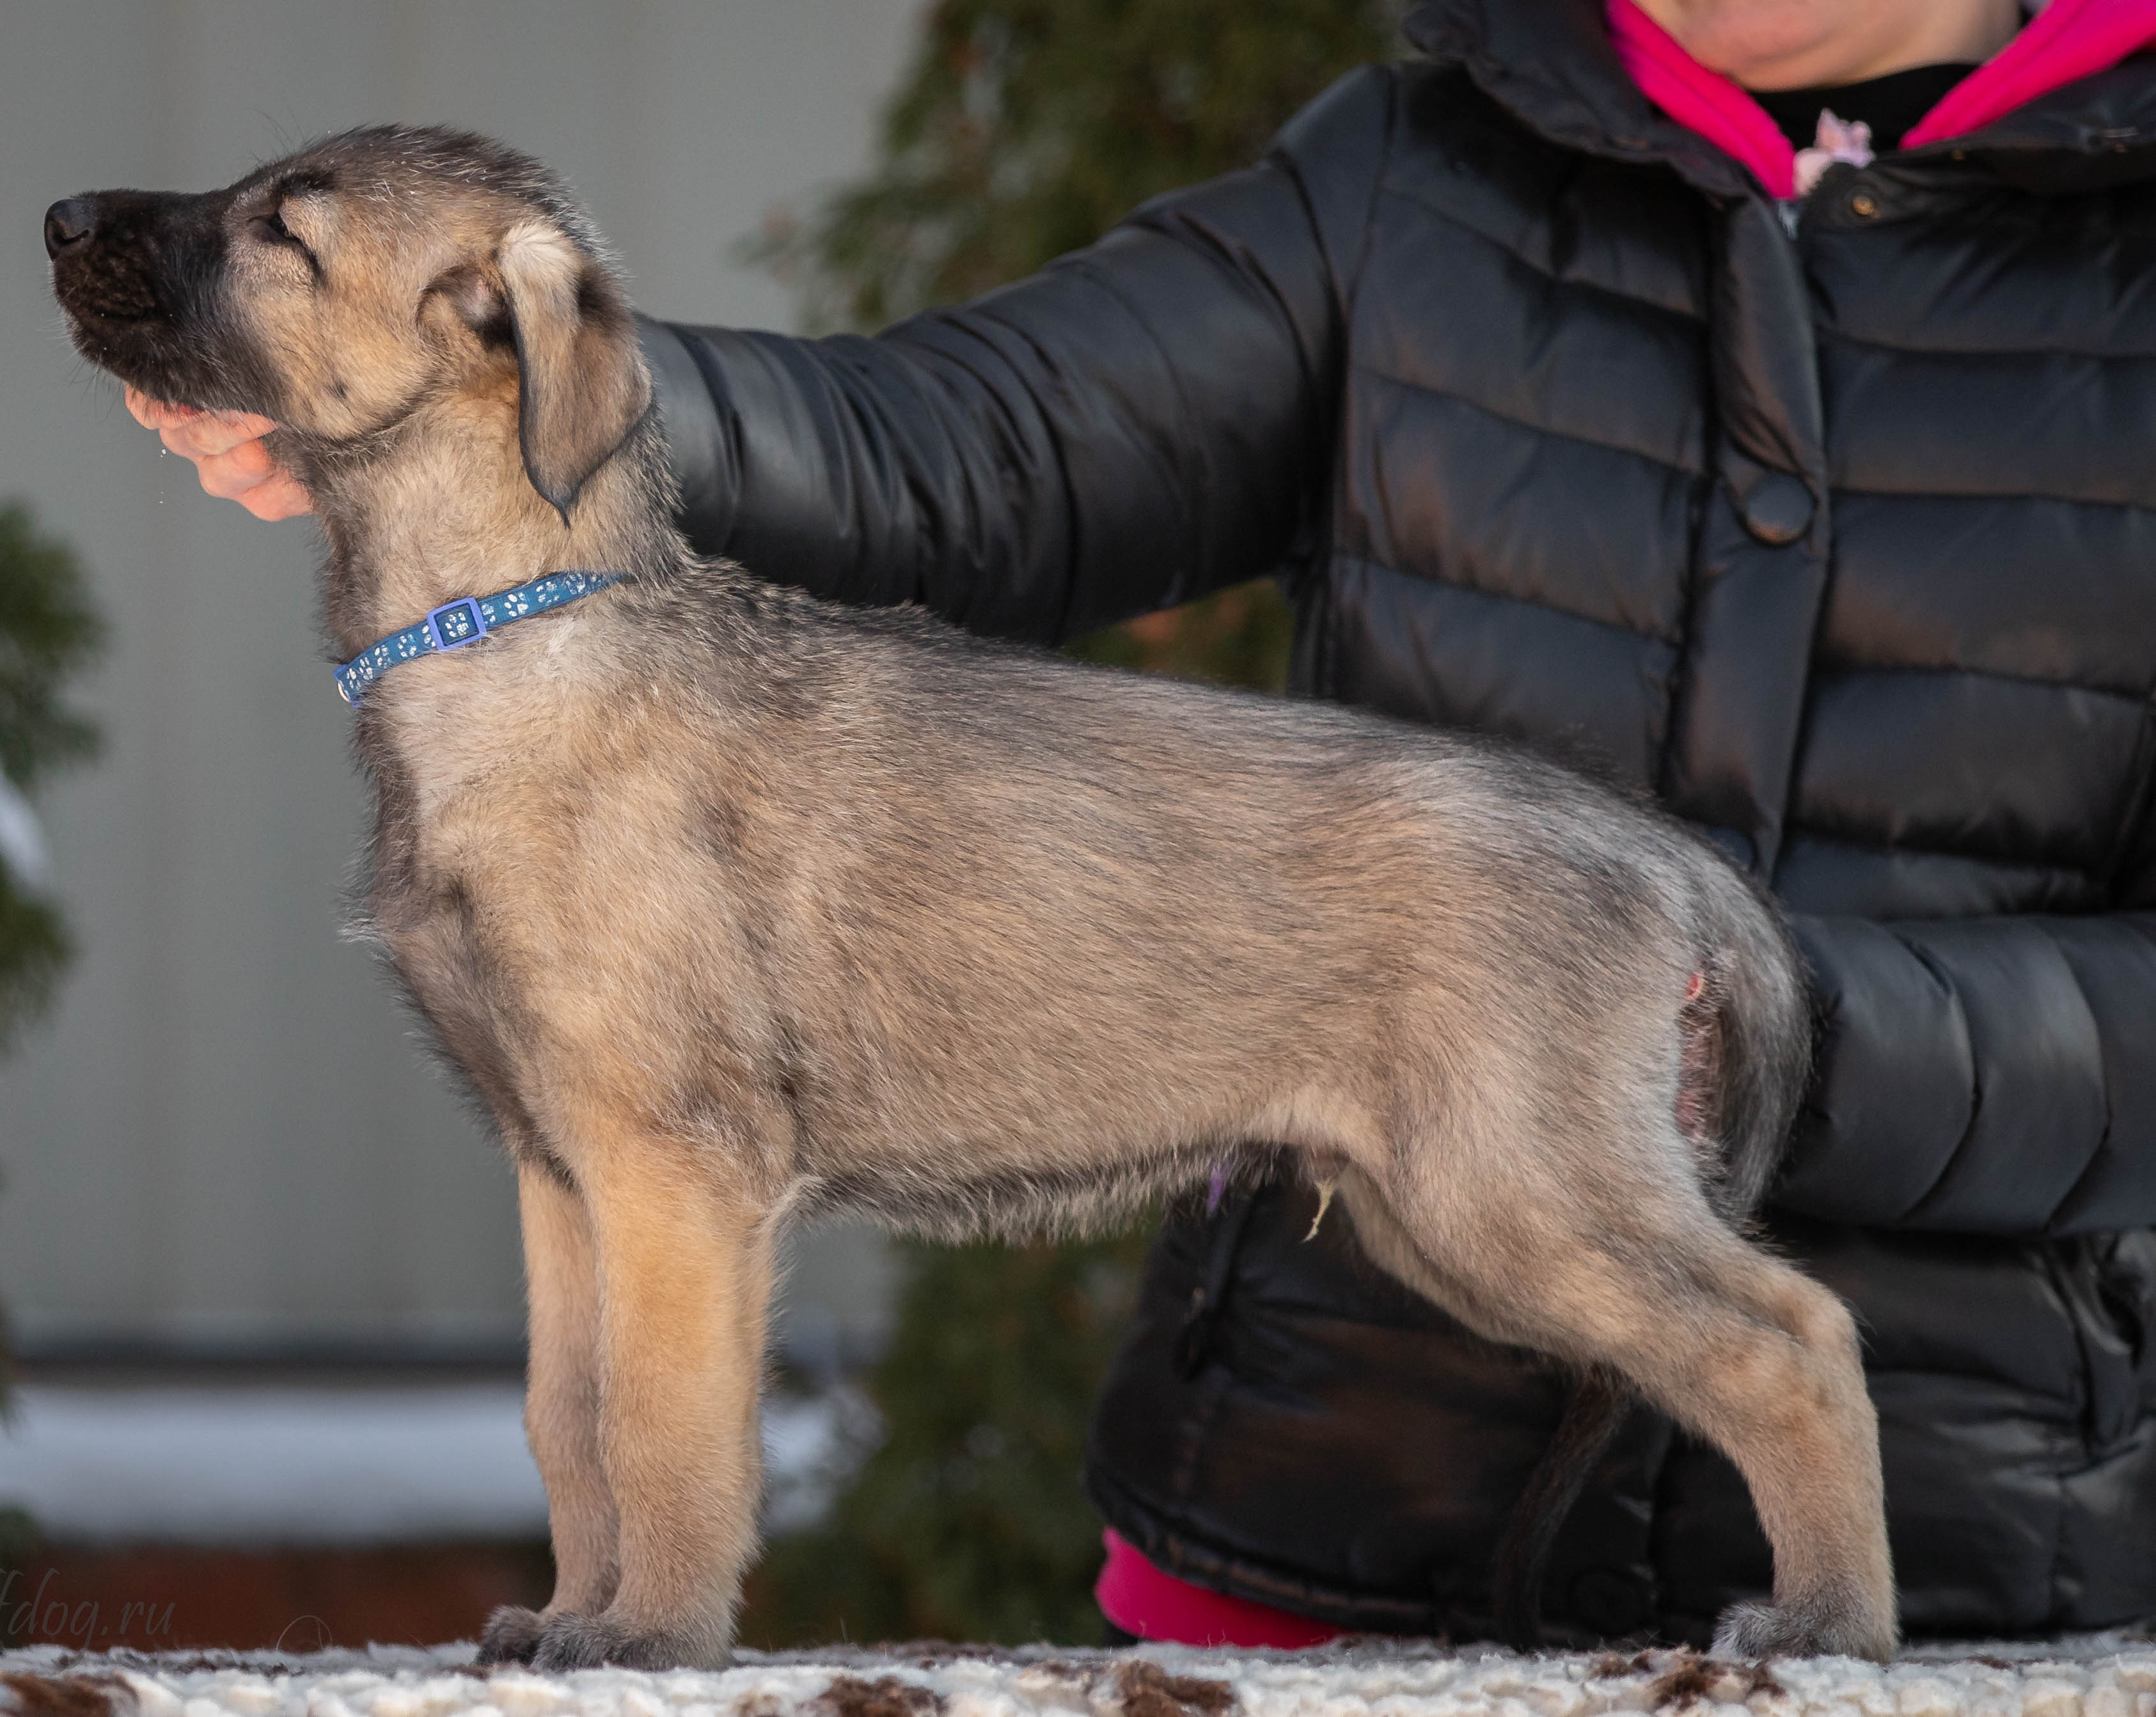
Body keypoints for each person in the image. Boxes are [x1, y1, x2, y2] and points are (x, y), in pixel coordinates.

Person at [131, 0, 2156, 1647]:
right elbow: (980, 446)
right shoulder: (1416, 169)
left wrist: (1806, 1021)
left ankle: (1819, 1515)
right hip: (1296, 1567)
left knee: (1564, 1240)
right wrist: (524, 412)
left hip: (2019, 1592)